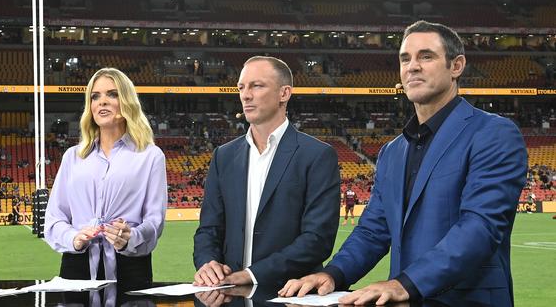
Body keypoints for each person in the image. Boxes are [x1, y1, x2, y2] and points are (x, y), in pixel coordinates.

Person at [279, 21, 527, 307]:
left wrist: (406, 283)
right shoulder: (392, 151)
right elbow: (373, 230)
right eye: (405, 58)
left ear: (456, 66)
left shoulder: (493, 133)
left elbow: (480, 227)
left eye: (426, 56)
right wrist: (334, 274)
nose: (413, 66)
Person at [193, 56, 340, 287]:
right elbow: (208, 228)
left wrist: (252, 275)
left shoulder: (317, 155)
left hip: (290, 294)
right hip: (230, 295)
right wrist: (208, 262)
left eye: (257, 86)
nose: (246, 95)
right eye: (241, 87)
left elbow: (317, 239)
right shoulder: (224, 156)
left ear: (284, 93)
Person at [44, 67, 167, 289]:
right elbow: (54, 218)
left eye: (112, 94)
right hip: (76, 265)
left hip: (130, 266)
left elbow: (154, 221)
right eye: (95, 96)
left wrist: (131, 236)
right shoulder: (73, 157)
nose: (102, 101)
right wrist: (75, 238)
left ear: (127, 101)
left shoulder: (150, 156)